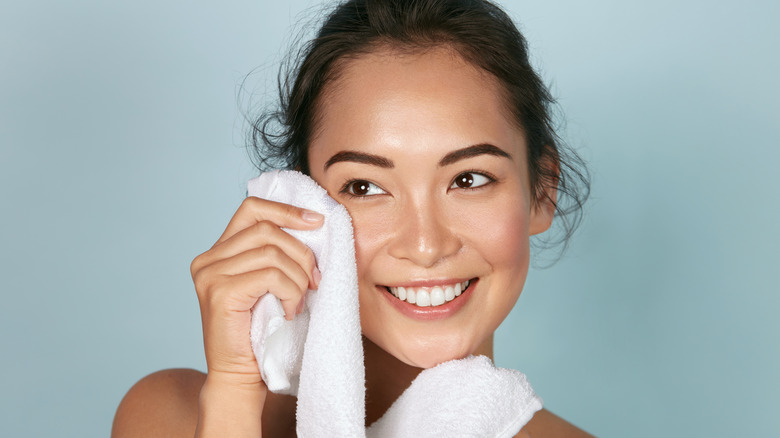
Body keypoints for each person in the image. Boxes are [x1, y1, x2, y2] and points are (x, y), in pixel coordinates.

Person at [112, 0, 591, 436]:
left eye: (468, 179)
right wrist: (233, 394)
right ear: (304, 202)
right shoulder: (171, 418)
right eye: (365, 187)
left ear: (540, 191)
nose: (425, 245)